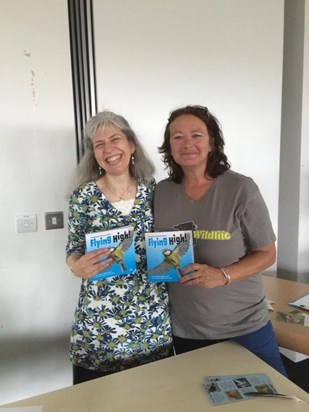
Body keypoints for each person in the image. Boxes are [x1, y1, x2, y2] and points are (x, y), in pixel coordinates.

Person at [153, 105, 287, 376]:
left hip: (244, 326)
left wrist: (222, 275)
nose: (187, 143)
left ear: (212, 142)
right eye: (177, 137)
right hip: (186, 330)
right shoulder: (160, 192)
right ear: (169, 146)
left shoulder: (241, 188)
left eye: (196, 135)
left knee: (272, 404)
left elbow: (266, 253)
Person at [66, 110, 172, 384]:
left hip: (150, 319)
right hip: (100, 323)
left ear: (131, 145)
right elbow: (73, 248)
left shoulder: (155, 190)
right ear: (94, 154)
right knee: (95, 402)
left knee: (153, 398)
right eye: (99, 144)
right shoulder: (83, 197)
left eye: (115, 139)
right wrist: (75, 265)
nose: (109, 149)